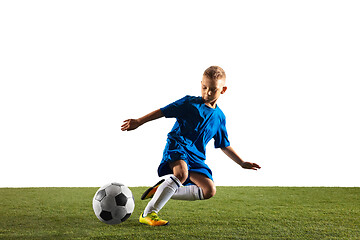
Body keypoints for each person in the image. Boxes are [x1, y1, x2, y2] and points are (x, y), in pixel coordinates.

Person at [121, 66, 261, 226]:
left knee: (209, 190)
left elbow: (224, 145)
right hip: (177, 146)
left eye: (213, 89)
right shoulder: (189, 103)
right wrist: (139, 121)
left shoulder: (219, 117)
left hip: (196, 157)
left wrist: (242, 162)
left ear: (223, 90)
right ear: (201, 84)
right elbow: (163, 111)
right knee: (181, 174)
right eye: (204, 87)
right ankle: (148, 213)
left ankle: (163, 189)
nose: (207, 92)